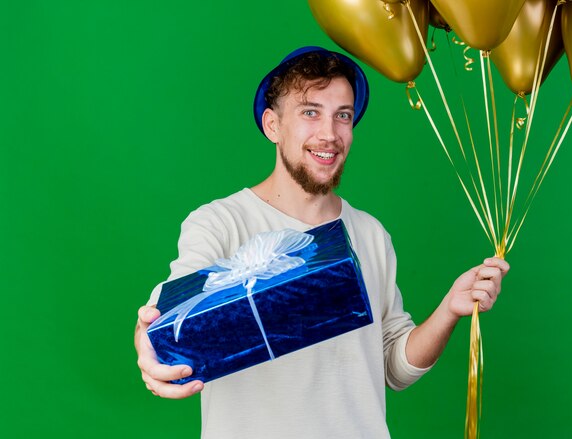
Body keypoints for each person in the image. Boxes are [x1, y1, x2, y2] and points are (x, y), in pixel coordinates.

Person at [134, 46, 509, 438]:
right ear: (272, 125)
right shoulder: (220, 222)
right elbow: (169, 316)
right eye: (310, 112)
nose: (329, 134)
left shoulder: (370, 234)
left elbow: (394, 368)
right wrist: (148, 345)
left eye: (342, 116)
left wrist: (449, 308)